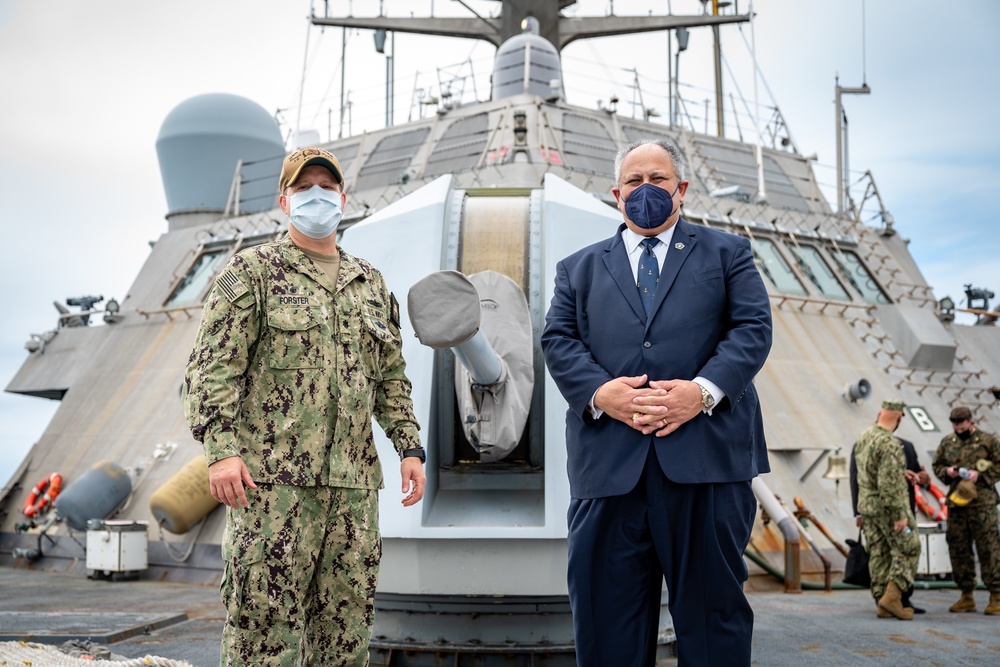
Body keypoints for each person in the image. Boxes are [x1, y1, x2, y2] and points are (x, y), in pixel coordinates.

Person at [184, 146, 426, 666]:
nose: (316, 197)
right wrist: (221, 451)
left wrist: (409, 447)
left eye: (325, 188)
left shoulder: (371, 283)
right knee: (263, 633)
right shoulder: (251, 273)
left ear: (343, 198)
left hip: (353, 491)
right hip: (272, 489)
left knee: (345, 632)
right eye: (303, 188)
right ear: (284, 200)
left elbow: (389, 377)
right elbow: (211, 368)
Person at [541, 139, 772, 667]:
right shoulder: (577, 269)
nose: (646, 191)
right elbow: (558, 339)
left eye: (658, 180)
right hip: (610, 467)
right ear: (616, 193)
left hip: (707, 464)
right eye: (635, 181)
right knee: (606, 620)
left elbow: (752, 328)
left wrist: (702, 392)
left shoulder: (727, 253)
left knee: (714, 617)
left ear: (681, 190)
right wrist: (602, 393)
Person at [852, 399, 921, 620]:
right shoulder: (891, 444)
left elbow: (865, 474)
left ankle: (882, 602)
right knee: (909, 548)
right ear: (899, 417)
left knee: (879, 553)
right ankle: (892, 599)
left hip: (868, 508)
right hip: (887, 509)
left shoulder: (864, 437)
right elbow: (888, 485)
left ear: (880, 413)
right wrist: (899, 514)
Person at [931, 405, 1000, 615]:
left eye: (962, 425)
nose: (958, 429)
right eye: (955, 425)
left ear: (972, 422)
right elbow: (937, 465)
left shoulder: (988, 441)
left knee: (989, 547)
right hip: (957, 503)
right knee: (958, 547)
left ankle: (996, 595)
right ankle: (966, 595)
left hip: (983, 504)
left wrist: (981, 476)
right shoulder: (947, 443)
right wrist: (948, 472)